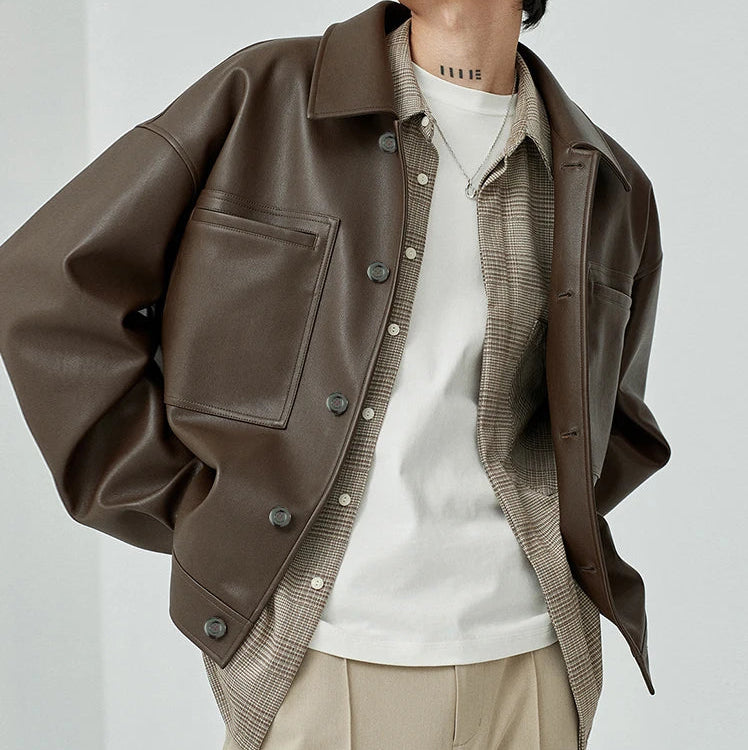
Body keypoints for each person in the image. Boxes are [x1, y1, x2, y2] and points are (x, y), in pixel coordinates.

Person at [0, 1, 671, 749]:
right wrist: (200, 507)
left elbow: (614, 426)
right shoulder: (267, 95)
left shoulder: (607, 184)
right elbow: (46, 289)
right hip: (327, 652)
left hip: (536, 658)